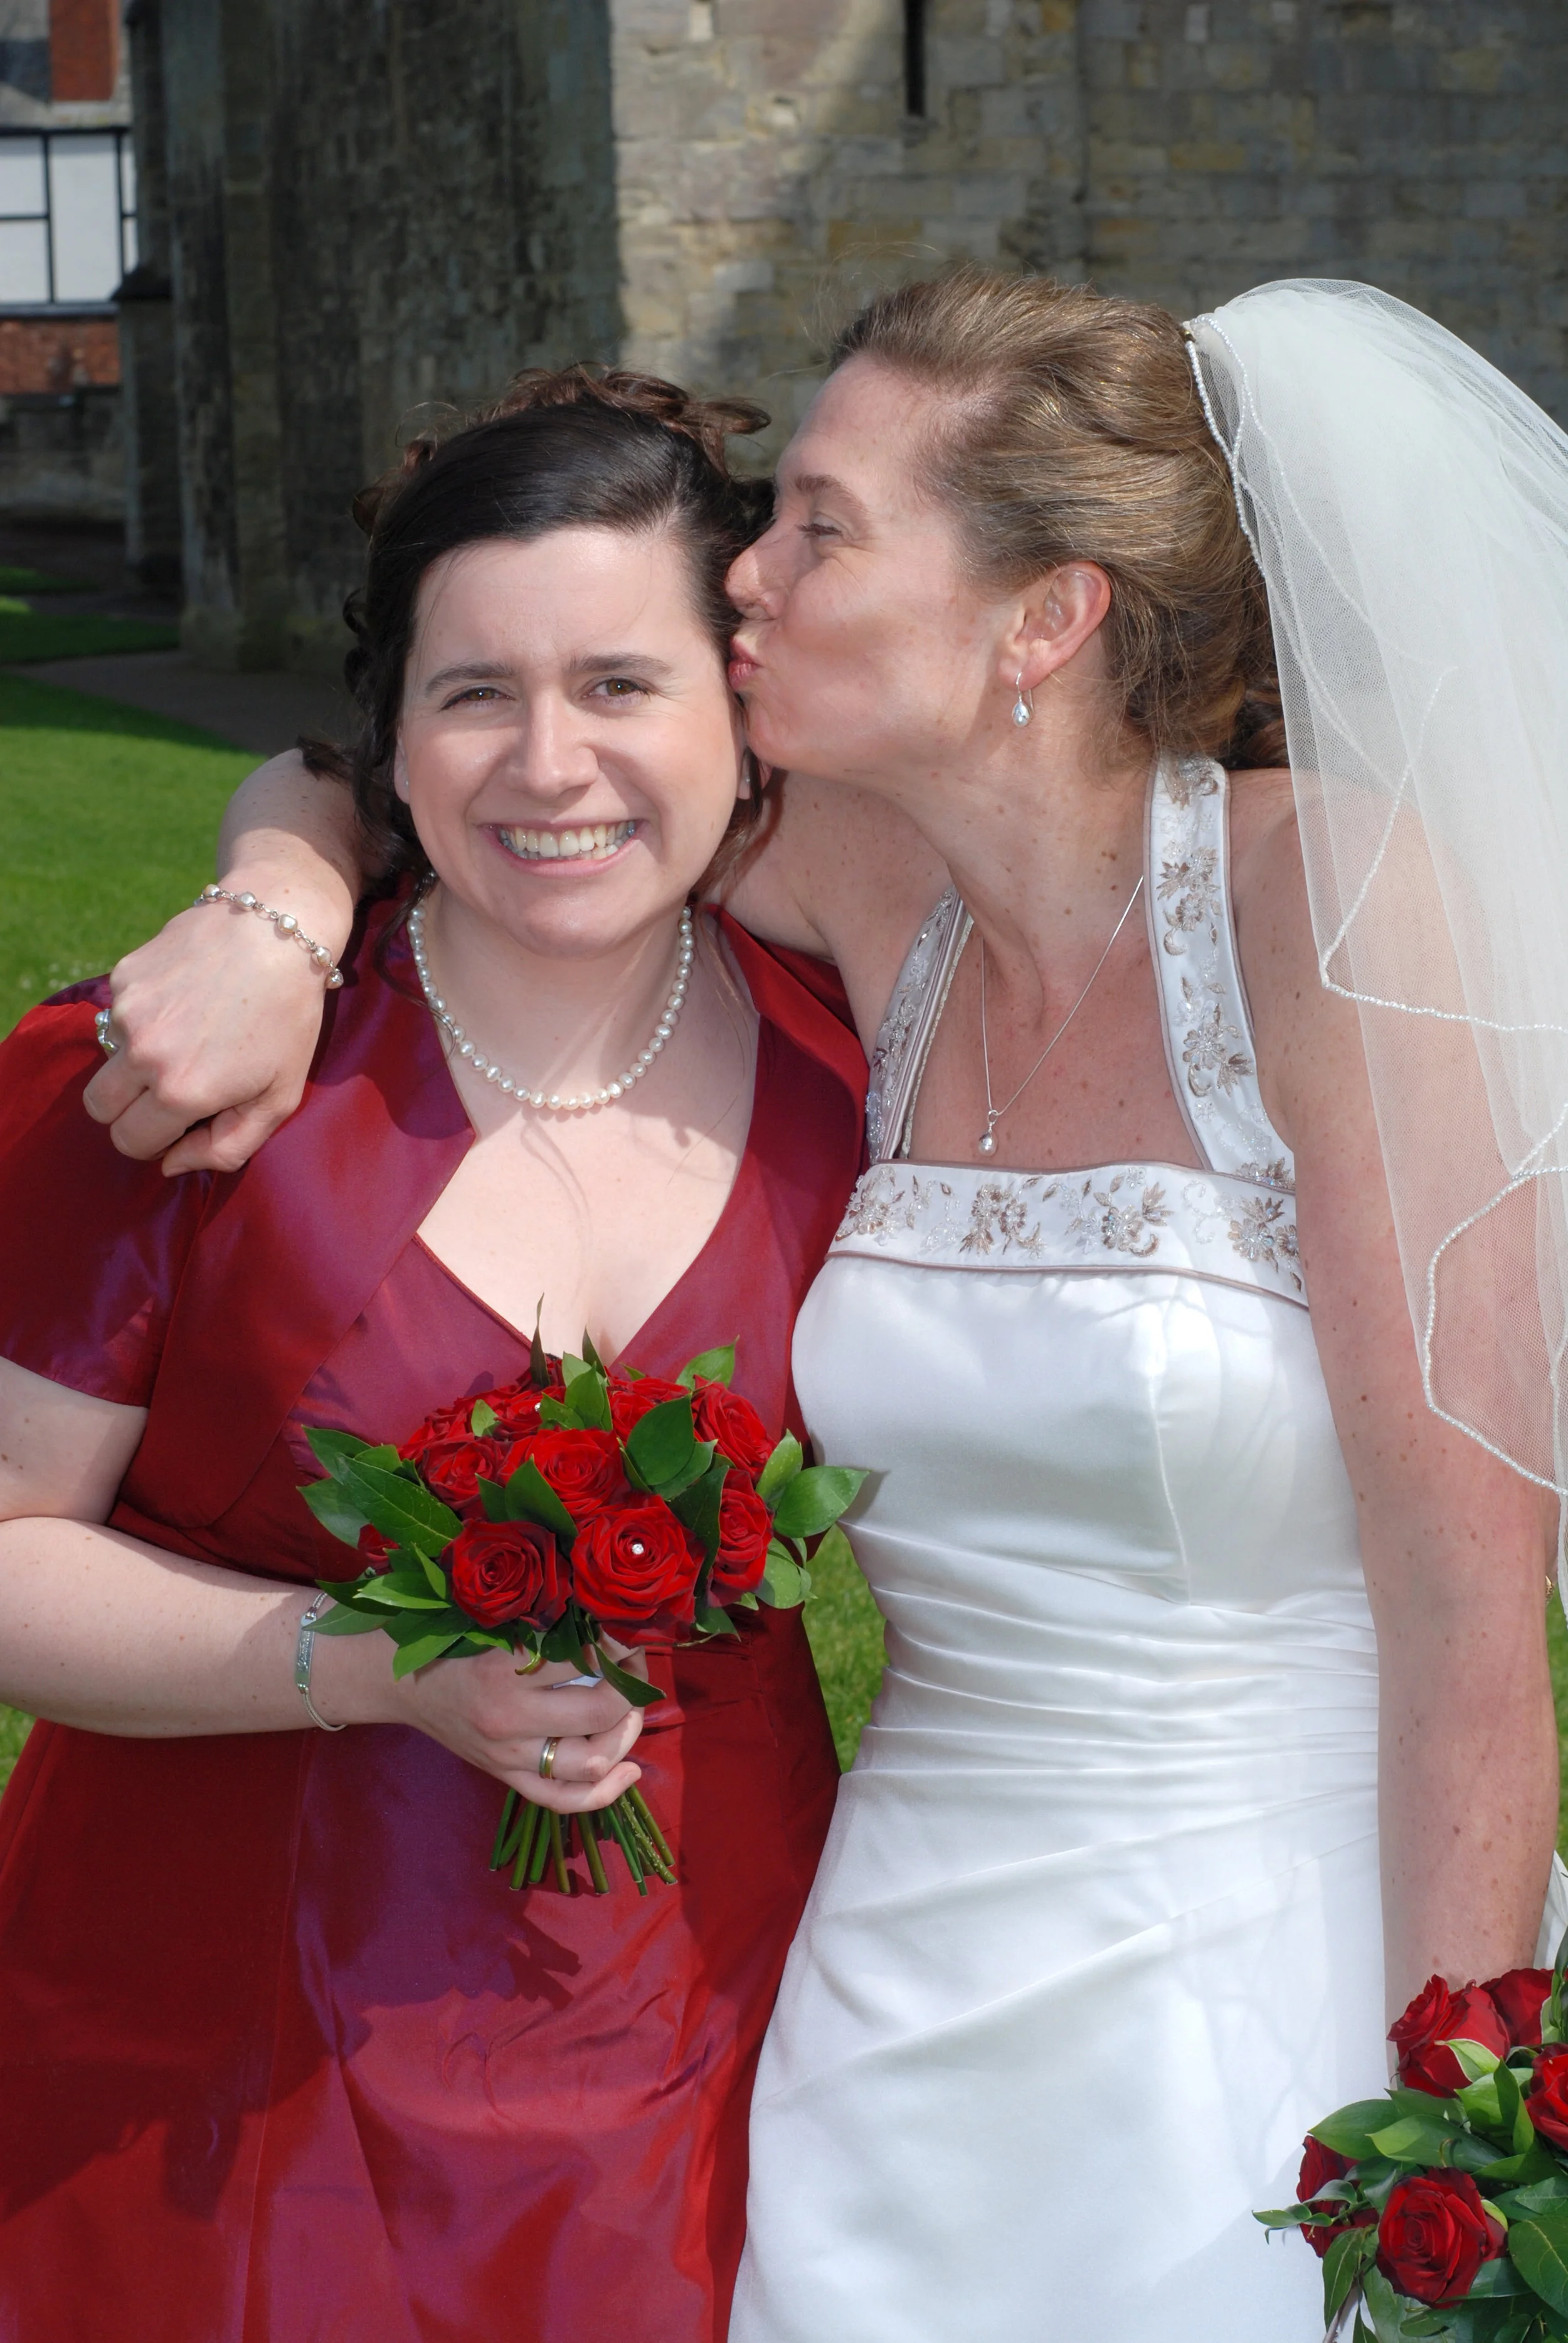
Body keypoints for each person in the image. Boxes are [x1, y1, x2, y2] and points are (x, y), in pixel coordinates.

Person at [77, 272, 1568, 2340]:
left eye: (818, 530)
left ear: (1043, 617)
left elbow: (1475, 1615)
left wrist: (1456, 2128)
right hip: (892, 1985)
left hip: (1270, 1951)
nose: (744, 576)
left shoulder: (1325, 906)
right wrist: (278, 902)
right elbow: (455, 769)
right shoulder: (863, 886)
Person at [0, 371, 867, 2343]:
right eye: (475, 691)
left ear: (742, 710)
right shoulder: (173, 1082)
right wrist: (370, 1665)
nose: (549, 763)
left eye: (622, 684)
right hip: (209, 2066)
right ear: (385, 732)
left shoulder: (864, 1074)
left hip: (711, 2030)